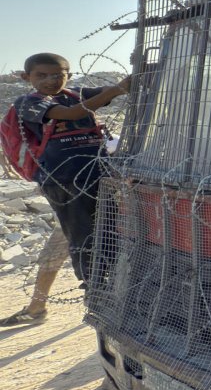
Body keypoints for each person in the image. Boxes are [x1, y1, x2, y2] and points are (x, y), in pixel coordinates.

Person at [15, 54, 130, 283]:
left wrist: (130, 81)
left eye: (58, 75)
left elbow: (107, 90)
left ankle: (112, 277)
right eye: (42, 75)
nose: (51, 80)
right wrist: (117, 89)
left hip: (96, 174)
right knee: (81, 232)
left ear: (70, 75)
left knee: (108, 229)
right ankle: (92, 284)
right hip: (63, 179)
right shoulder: (29, 102)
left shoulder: (76, 94)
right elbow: (71, 114)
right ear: (26, 77)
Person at [0, 227, 69, 326]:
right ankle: (36, 309)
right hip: (69, 221)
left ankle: (95, 301)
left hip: (92, 222)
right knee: (49, 258)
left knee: (92, 260)